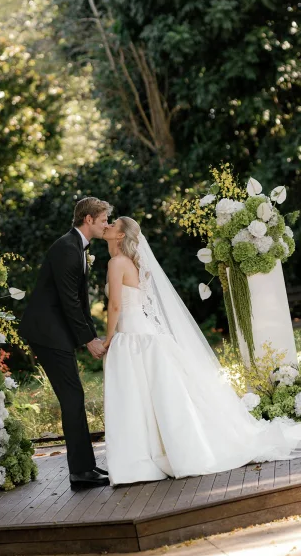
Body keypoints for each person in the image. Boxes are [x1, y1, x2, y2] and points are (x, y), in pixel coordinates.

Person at [102, 216, 301, 486]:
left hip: (131, 336)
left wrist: (109, 338)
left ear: (121, 236)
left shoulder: (116, 263)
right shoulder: (133, 263)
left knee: (137, 395)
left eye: (113, 224)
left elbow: (115, 306)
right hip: (144, 333)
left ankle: (144, 459)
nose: (108, 226)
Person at [19, 197, 112, 488]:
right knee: (72, 398)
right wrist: (89, 341)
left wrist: (92, 335)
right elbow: (69, 302)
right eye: (103, 220)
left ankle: (86, 468)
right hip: (47, 333)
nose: (107, 224)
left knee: (74, 397)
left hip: (55, 332)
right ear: (88, 219)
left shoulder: (76, 247)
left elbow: (80, 302)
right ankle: (80, 473)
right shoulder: (67, 249)